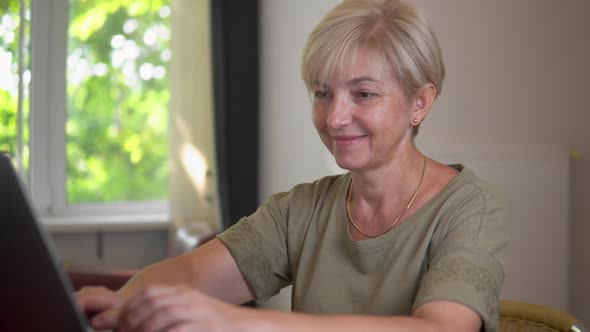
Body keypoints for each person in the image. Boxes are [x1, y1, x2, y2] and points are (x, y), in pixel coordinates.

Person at [77, 0, 510, 331]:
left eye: (363, 94)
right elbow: (192, 273)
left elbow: (438, 329)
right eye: (322, 93)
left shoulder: (471, 206)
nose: (335, 117)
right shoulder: (303, 208)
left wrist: (244, 322)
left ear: (420, 102)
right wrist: (125, 301)